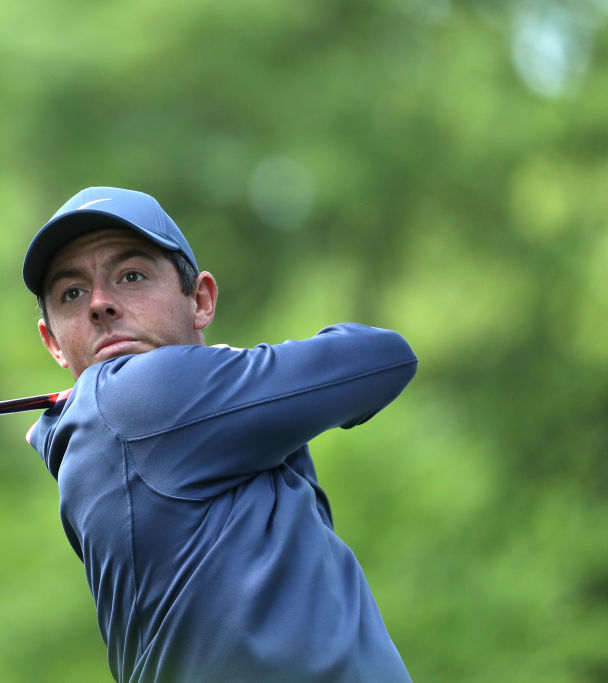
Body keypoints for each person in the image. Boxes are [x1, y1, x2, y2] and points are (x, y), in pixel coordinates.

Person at [22, 186, 417, 682]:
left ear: (201, 299)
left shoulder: (96, 433)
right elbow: (380, 359)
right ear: (53, 341)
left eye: (131, 275)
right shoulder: (137, 396)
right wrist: (226, 361)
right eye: (72, 293)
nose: (100, 303)